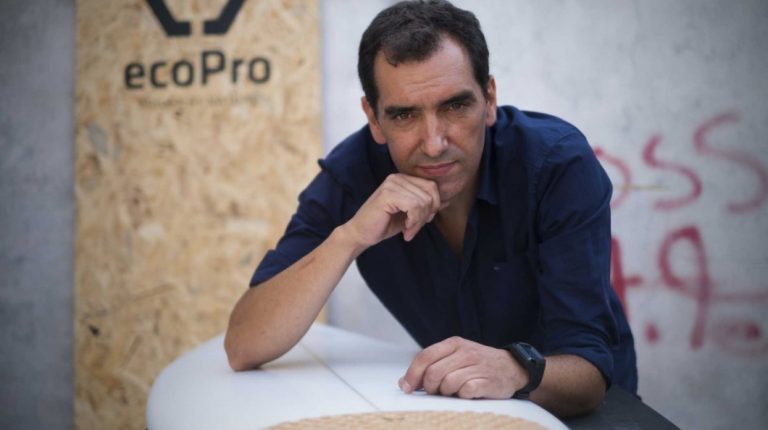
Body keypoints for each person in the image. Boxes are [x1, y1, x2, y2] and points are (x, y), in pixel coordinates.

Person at [225, 0, 637, 417]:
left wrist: (515, 369)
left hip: (584, 410)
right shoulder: (353, 175)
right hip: (466, 411)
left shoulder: (555, 164)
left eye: (455, 106)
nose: (435, 143)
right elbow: (244, 344)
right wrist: (350, 237)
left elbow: (589, 372)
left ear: (489, 99)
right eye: (404, 115)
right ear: (373, 118)